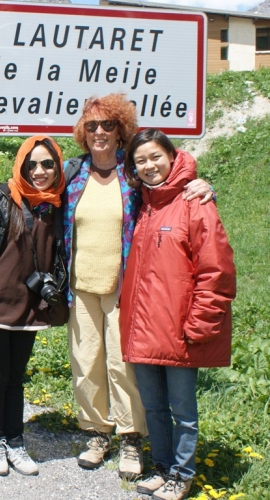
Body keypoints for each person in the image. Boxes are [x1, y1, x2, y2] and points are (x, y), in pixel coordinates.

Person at [62, 94, 214, 478]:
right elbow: (34, 184)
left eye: (108, 125)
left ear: (121, 131)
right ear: (84, 131)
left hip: (124, 286)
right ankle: (97, 432)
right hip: (80, 286)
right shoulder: (72, 172)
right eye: (92, 125)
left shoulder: (132, 176)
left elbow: (172, 185)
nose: (99, 132)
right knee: (85, 363)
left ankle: (131, 437)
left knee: (122, 364)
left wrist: (202, 183)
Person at [120, 129, 236, 500]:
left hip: (180, 328)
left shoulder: (195, 202)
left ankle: (183, 475)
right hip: (144, 327)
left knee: (183, 410)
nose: (150, 166)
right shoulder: (144, 203)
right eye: (141, 161)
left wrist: (201, 322)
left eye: (155, 157)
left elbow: (216, 270)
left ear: (171, 155)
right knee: (153, 406)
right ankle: (164, 467)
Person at [0, 135, 67, 477]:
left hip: (30, 304)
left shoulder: (59, 203)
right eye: (31, 164)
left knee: (15, 379)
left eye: (48, 164)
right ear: (20, 164)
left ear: (58, 168)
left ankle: (15, 442)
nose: (39, 171)